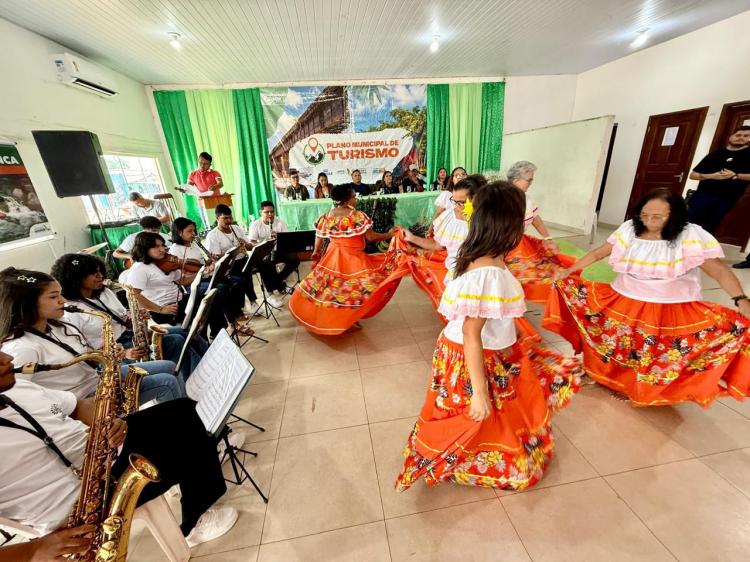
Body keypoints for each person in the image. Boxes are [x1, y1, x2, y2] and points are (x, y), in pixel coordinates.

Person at [396, 181, 581, 492]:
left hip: (484, 351)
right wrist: (480, 391)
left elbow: (488, 318)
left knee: (495, 411)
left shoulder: (487, 258)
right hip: (471, 353)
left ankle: (484, 456)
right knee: (475, 410)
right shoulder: (487, 272)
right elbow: (471, 332)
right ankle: (456, 458)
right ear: (507, 227)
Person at [0, 350, 238, 549]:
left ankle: (197, 500)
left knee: (184, 410)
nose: (8, 357)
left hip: (101, 454)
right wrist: (34, 550)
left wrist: (109, 422)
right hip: (81, 504)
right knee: (189, 444)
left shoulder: (16, 388)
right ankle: (195, 522)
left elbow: (78, 407)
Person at [545, 188, 750, 406]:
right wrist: (570, 271)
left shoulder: (690, 236)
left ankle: (639, 388)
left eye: (657, 217)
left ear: (675, 215)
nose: (649, 221)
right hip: (623, 298)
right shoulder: (629, 229)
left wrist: (741, 298)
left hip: (668, 307)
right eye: (644, 215)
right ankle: (599, 374)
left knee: (650, 351)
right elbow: (598, 253)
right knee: (612, 340)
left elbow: (719, 271)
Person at [0, 268, 185, 405]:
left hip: (98, 378)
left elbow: (84, 355)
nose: (63, 301)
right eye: (54, 297)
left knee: (169, 366)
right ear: (27, 304)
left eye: (60, 294)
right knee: (166, 382)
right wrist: (72, 408)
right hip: (85, 397)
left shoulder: (57, 326)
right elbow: (21, 399)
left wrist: (106, 353)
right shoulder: (22, 348)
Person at [51, 253, 205, 380]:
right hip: (113, 352)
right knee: (177, 341)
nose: (100, 275)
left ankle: (203, 372)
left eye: (99, 270)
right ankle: (194, 380)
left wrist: (136, 318)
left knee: (186, 333)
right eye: (92, 273)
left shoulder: (105, 292)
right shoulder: (71, 311)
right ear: (75, 279)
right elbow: (86, 352)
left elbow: (123, 319)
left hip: (130, 336)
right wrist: (125, 353)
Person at [288, 184, 407, 335]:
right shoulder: (357, 216)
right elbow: (371, 237)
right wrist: (389, 234)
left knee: (333, 288)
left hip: (332, 256)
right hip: (352, 258)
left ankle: (341, 318)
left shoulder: (328, 216)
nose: (355, 199)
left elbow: (319, 235)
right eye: (354, 197)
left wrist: (316, 251)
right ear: (347, 200)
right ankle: (347, 317)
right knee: (361, 286)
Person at [503, 161, 577, 302]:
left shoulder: (526, 198)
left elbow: (535, 219)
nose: (531, 183)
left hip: (519, 243)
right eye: (529, 180)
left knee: (550, 267)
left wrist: (547, 238)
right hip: (503, 246)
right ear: (515, 180)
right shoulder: (500, 198)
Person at [169, 217, 254, 338]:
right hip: (193, 284)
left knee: (237, 282)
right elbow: (182, 278)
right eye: (190, 231)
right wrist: (203, 271)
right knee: (221, 289)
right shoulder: (175, 250)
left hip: (206, 276)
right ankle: (229, 325)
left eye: (194, 230)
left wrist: (211, 261)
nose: (193, 234)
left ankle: (233, 317)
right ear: (179, 232)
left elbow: (202, 263)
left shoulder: (194, 244)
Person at [205, 204, 286, 309]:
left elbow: (250, 246)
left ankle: (270, 295)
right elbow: (216, 258)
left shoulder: (236, 228)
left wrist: (246, 244)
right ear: (217, 218)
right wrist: (235, 251)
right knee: (243, 273)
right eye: (225, 218)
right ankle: (253, 302)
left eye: (230, 217)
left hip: (243, 259)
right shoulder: (212, 235)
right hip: (229, 264)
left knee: (265, 262)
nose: (229, 220)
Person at [687, 126, 750, 235]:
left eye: (746, 136)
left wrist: (736, 175)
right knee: (689, 223)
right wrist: (712, 176)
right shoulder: (715, 154)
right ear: (731, 136)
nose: (741, 138)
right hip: (703, 194)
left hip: (727, 198)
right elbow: (693, 175)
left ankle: (703, 245)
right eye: (738, 135)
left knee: (710, 228)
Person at [125, 232, 193, 324]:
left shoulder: (164, 262)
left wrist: (202, 273)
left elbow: (182, 281)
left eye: (162, 245)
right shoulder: (139, 268)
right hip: (164, 310)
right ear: (144, 249)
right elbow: (133, 295)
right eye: (156, 247)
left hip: (179, 302)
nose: (162, 249)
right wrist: (161, 309)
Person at [248, 201, 300, 287]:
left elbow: (287, 239)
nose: (270, 214)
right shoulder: (255, 225)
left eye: (272, 212)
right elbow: (252, 242)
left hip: (279, 250)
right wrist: (265, 242)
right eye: (267, 212)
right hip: (264, 253)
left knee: (295, 260)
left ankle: (277, 281)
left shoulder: (280, 222)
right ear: (261, 212)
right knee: (266, 264)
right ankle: (279, 285)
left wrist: (279, 237)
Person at [428, 166, 467, 233]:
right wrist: (430, 230)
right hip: (450, 231)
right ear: (452, 179)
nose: (460, 177)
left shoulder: (472, 195)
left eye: (463, 174)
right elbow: (438, 213)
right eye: (457, 175)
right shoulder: (447, 195)